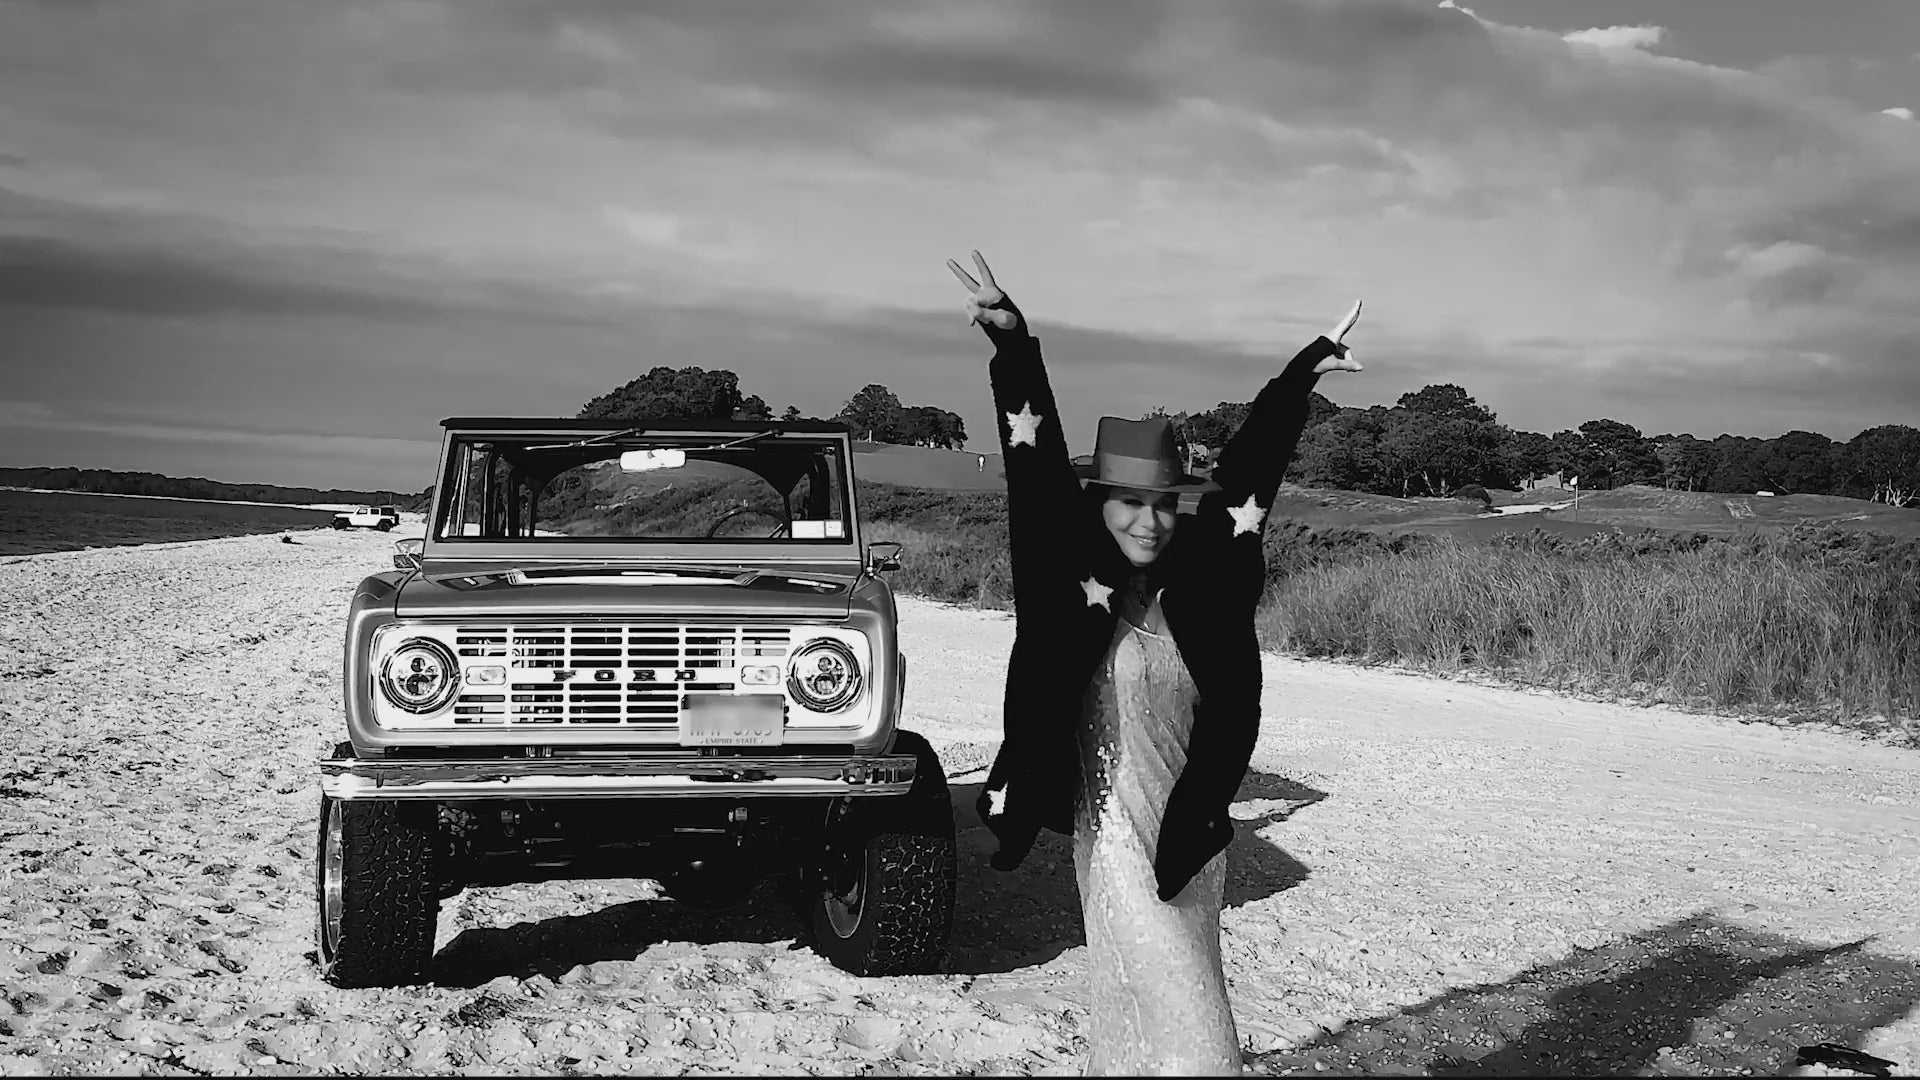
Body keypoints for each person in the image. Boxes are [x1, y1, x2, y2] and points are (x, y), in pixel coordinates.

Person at [946, 251, 1363, 1076]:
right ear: (1097, 502)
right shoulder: (1066, 587)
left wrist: (1302, 372)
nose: (1148, 522)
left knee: (1137, 1014)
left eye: (1163, 505)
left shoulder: (1204, 592)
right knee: (1198, 1038)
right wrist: (1015, 345)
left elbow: (1254, 473)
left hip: (1195, 842)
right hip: (1112, 843)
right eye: (1129, 501)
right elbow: (1032, 465)